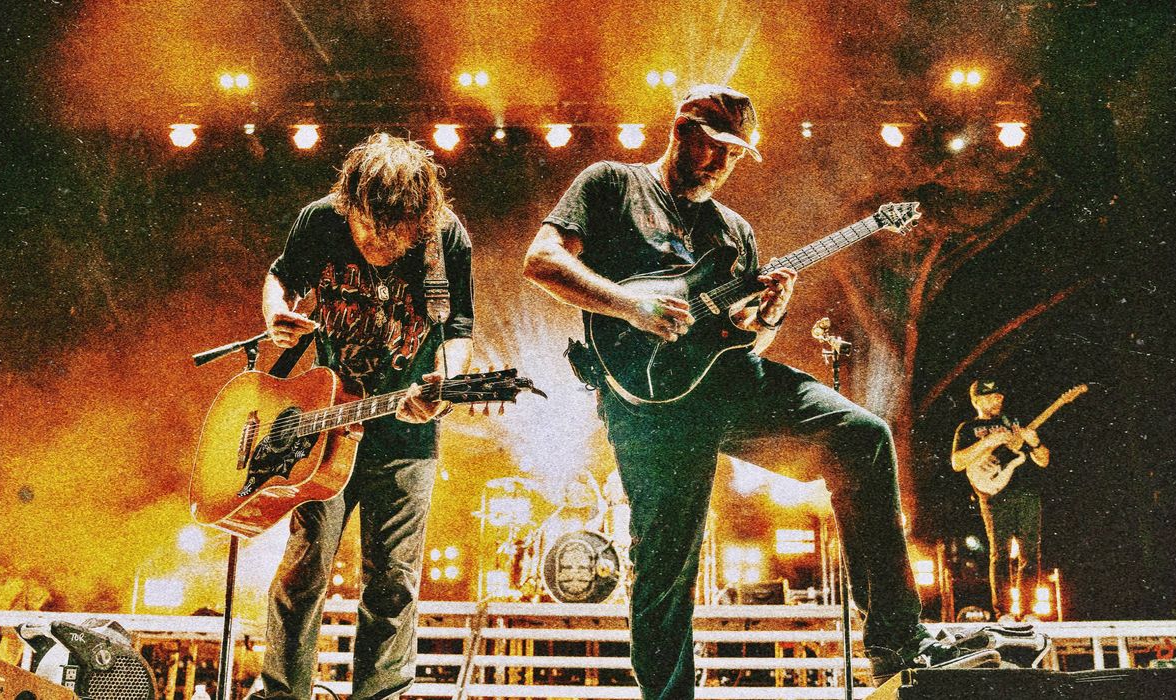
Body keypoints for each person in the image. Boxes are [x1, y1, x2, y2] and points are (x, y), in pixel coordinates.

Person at [522, 84, 958, 694]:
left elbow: (744, 345)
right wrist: (629, 306)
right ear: (682, 131)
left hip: (729, 385)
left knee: (862, 437)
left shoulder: (733, 232)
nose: (723, 164)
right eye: (715, 147)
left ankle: (895, 642)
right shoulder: (612, 185)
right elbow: (542, 261)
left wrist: (769, 317)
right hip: (649, 405)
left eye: (735, 154)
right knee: (667, 562)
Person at [252, 133, 474, 700]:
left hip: (406, 438)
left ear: (419, 220)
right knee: (303, 572)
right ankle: (282, 694)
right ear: (348, 204)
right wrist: (277, 312)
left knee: (393, 583)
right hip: (324, 429)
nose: (378, 241)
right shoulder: (320, 220)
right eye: (368, 226)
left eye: (395, 232)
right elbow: (282, 277)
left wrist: (443, 387)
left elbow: (458, 332)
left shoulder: (446, 238)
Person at [951, 379, 1050, 621]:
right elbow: (957, 462)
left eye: (999, 396)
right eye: (990, 396)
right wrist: (988, 442)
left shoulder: (1014, 423)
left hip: (1027, 491)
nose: (997, 400)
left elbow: (1043, 460)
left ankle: (1028, 611)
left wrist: (1035, 442)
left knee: (1030, 553)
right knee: (1000, 554)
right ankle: (1003, 611)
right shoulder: (968, 428)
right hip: (995, 494)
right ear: (976, 401)